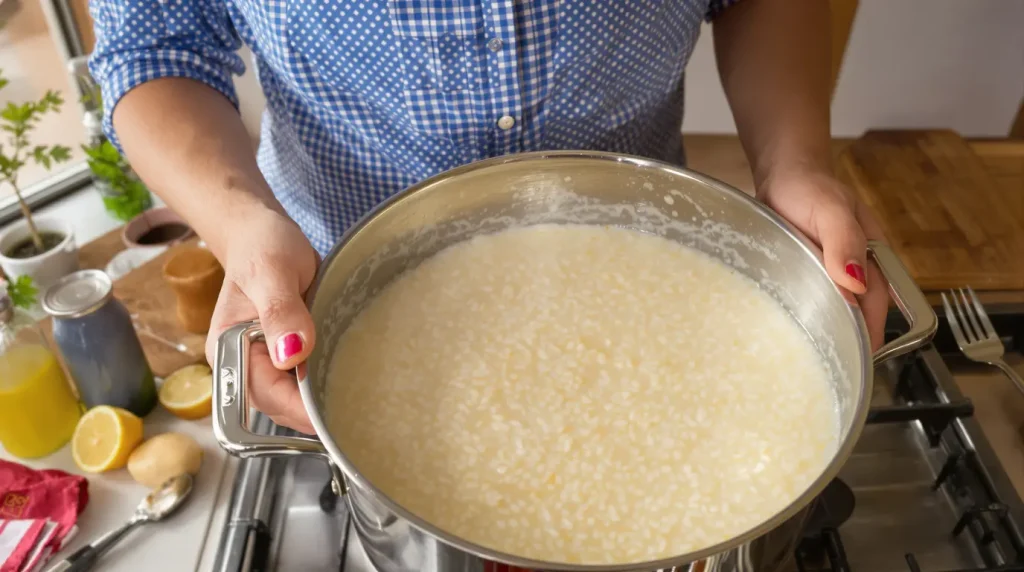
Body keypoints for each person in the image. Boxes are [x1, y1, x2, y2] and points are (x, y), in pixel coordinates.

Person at [89, 0, 888, 433]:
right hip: (324, 291)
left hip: (661, 283)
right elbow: (154, 45)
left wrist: (796, 162)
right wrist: (239, 227)